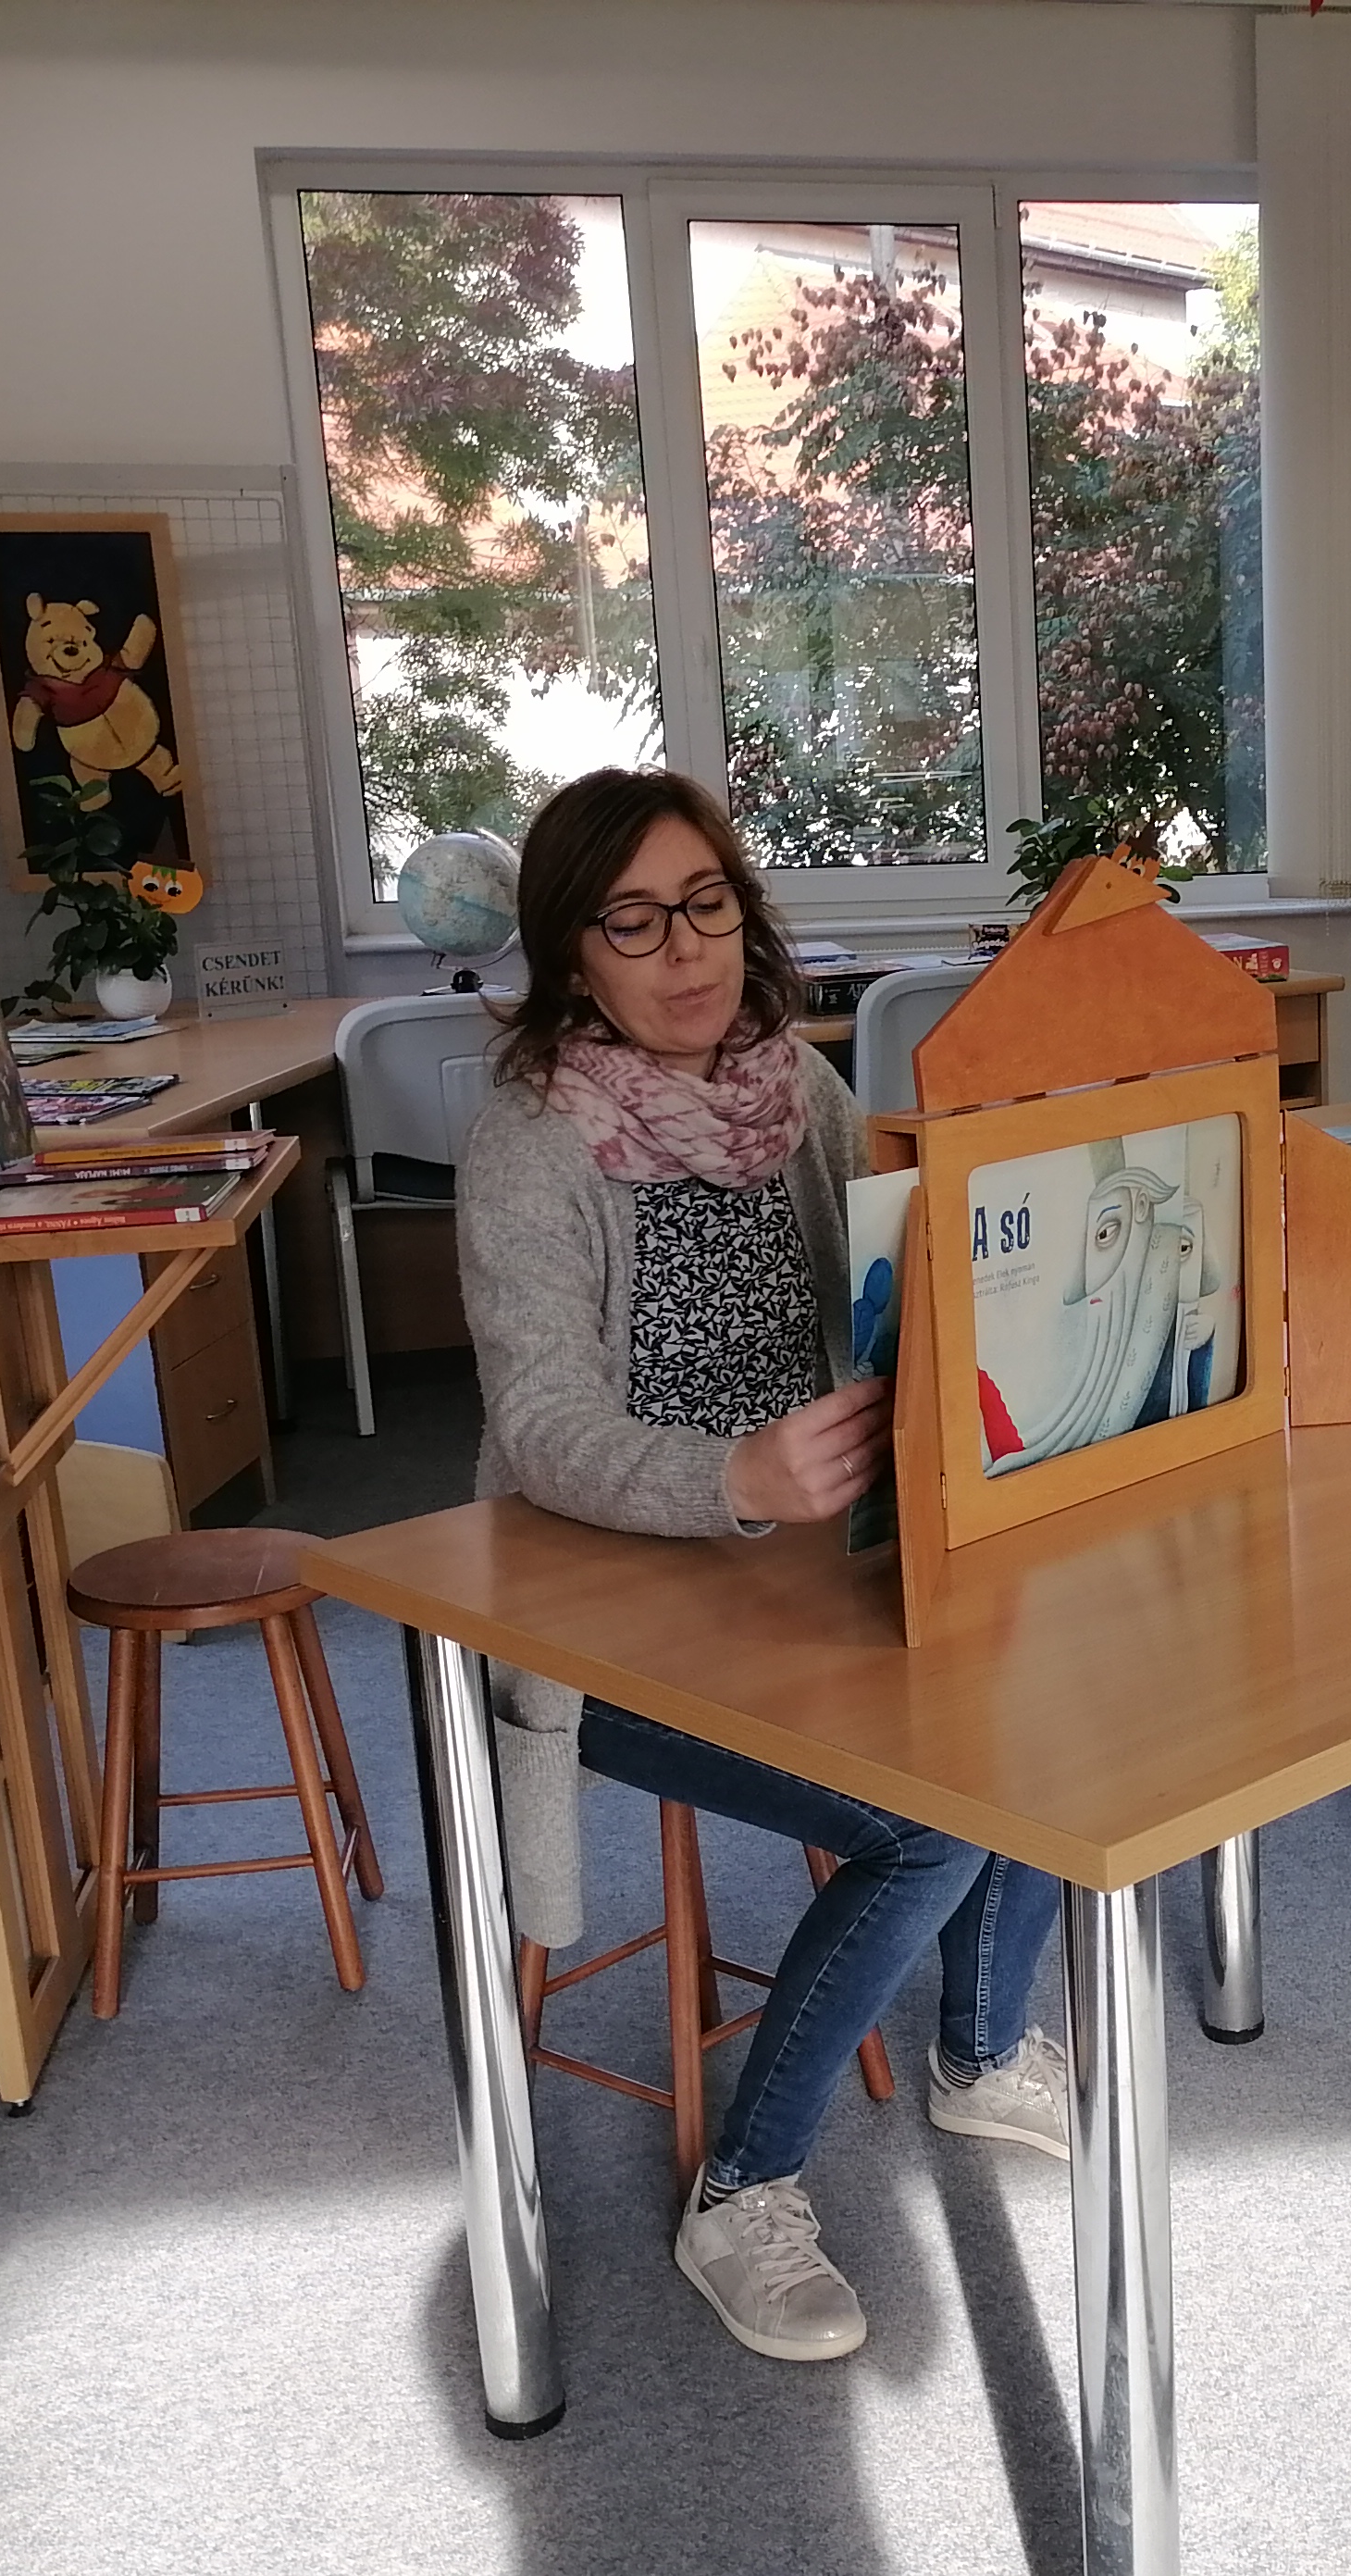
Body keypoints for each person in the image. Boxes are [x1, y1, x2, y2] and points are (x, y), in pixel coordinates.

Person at [454, 767, 1068, 2365]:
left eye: (705, 904)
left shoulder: (793, 1085)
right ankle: (743, 2190)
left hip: (800, 1560)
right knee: (926, 1826)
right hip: (602, 1605)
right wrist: (728, 1477)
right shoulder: (531, 1137)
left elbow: (890, 1287)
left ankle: (982, 2051)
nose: (684, 951)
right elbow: (540, 1427)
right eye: (632, 922)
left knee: (1051, 1696)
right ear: (569, 951)